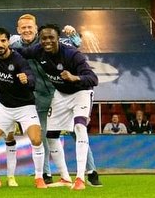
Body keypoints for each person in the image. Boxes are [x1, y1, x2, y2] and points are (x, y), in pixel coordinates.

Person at [10, 13, 102, 187]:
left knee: (77, 130)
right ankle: (48, 173)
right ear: (18, 30)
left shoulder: (52, 44)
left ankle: (90, 172)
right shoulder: (22, 46)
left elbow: (75, 44)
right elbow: (14, 52)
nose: (27, 30)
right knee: (45, 135)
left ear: (35, 28)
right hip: (40, 97)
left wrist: (74, 35)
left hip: (63, 92)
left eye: (30, 27)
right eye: (24, 27)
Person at [0, 27, 47, 189]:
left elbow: (31, 77)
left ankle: (39, 177)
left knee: (36, 139)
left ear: (8, 42)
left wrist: (26, 79)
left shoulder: (18, 59)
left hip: (25, 107)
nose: (0, 44)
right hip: (5, 108)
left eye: (3, 41)